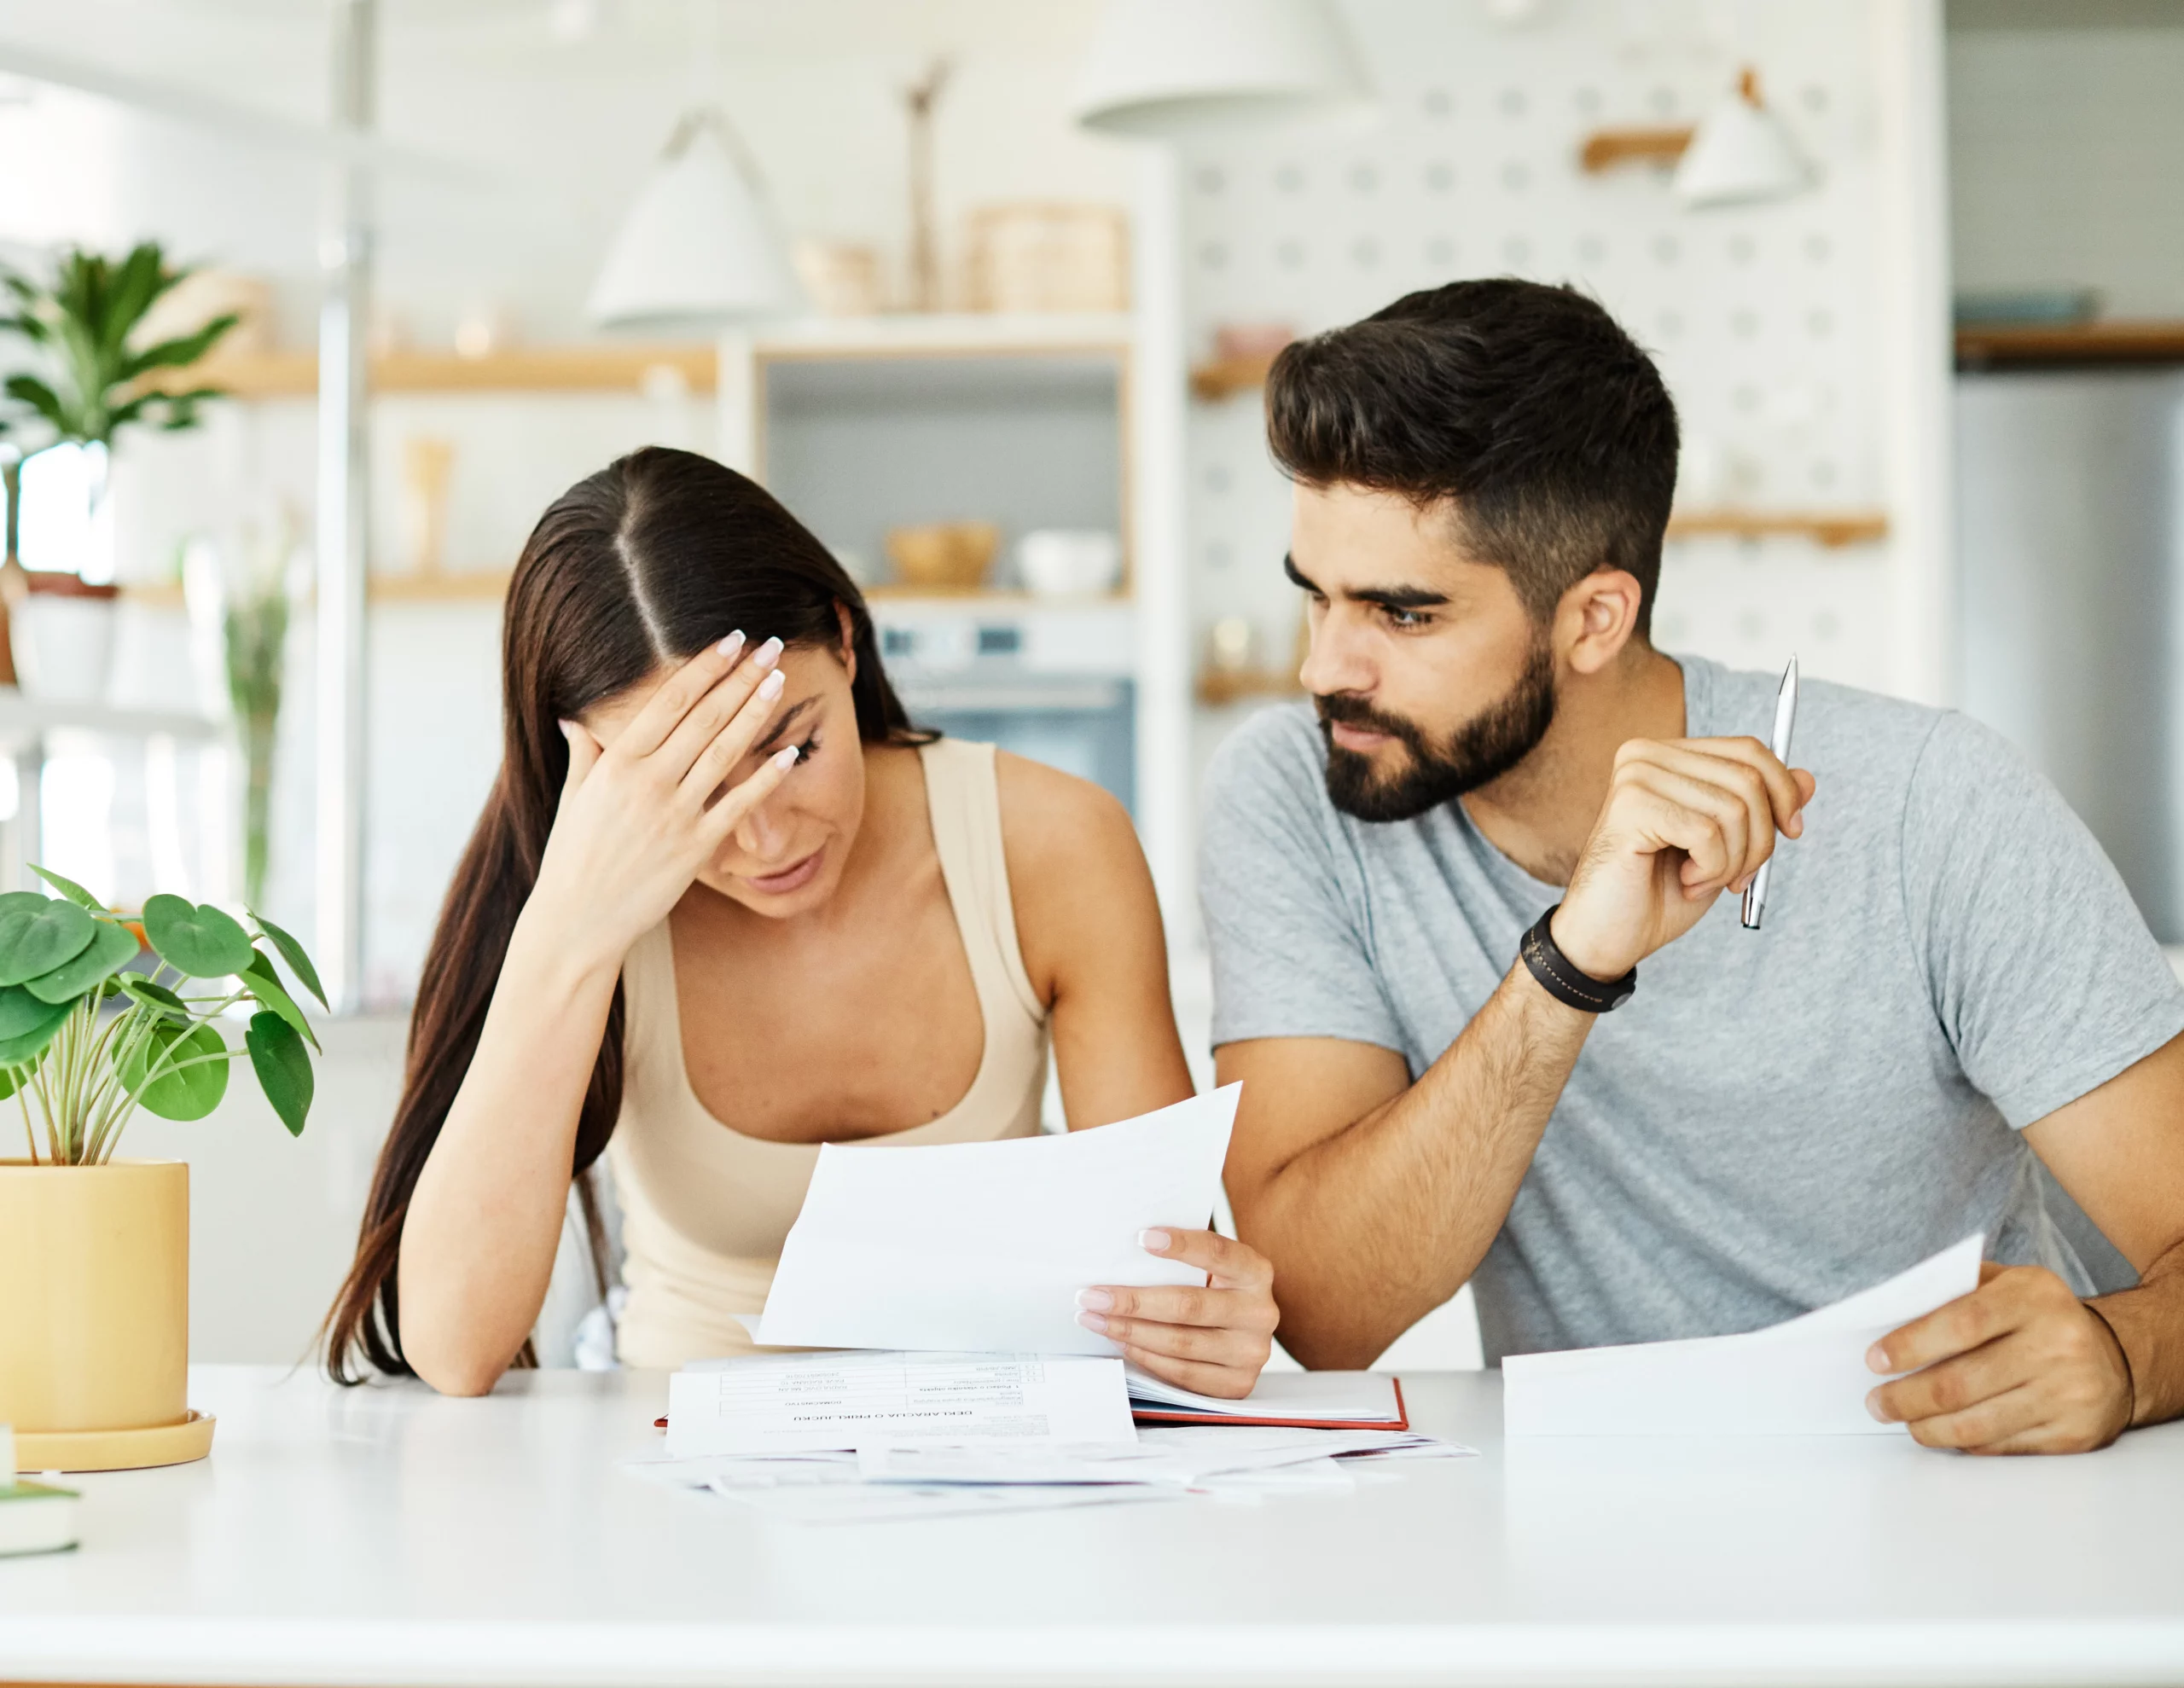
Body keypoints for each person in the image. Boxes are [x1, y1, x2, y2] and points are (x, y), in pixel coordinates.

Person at [1200, 279, 2184, 1453]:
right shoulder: (1297, 791)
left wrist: (2127, 1353)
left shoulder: (1935, 801)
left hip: (1957, 1489)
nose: (1325, 668)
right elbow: (1323, 1310)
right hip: (1592, 1529)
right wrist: (1568, 964)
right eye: (1314, 597)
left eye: (1402, 615)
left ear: (1595, 618)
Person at [327, 446, 1277, 1396]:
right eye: (692, 790)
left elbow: (1163, 1276)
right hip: (671, 1462)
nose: (766, 838)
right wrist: (571, 930)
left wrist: (1205, 1325)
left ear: (845, 641)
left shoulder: (1053, 845)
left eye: (795, 747)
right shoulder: (587, 902)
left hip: (987, 1460)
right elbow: (454, 1348)